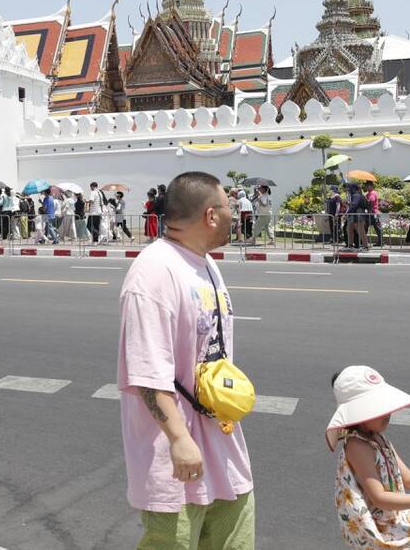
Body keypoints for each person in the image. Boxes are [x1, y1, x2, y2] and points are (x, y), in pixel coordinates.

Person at [117, 171, 254, 549]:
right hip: (175, 460)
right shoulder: (153, 272)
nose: (233, 214)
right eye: (228, 206)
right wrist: (179, 439)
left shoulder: (205, 263)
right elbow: (146, 371)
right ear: (211, 215)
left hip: (224, 450)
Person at [328, 366, 410, 549]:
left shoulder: (379, 439)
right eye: (378, 408)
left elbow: (408, 477)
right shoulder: (357, 446)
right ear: (359, 413)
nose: (387, 413)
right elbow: (379, 498)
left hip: (395, 513)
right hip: (379, 525)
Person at [345, 182, 369, 250]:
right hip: (356, 214)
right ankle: (350, 245)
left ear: (353, 188)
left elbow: (354, 205)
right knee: (350, 229)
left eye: (349, 188)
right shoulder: (358, 195)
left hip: (357, 214)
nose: (348, 190)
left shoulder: (356, 195)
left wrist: (347, 213)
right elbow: (355, 204)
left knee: (360, 230)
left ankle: (365, 246)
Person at [363, 182, 383, 247]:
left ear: (371, 186)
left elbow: (371, 201)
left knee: (377, 227)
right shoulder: (368, 194)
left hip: (373, 213)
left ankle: (380, 242)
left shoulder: (373, 193)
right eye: (366, 186)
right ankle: (363, 241)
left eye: (367, 185)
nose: (366, 187)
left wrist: (366, 200)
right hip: (370, 213)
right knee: (366, 227)